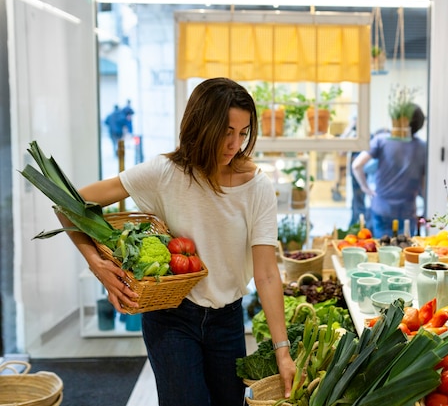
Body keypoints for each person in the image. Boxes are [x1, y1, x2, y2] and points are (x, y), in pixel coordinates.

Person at [59, 78, 296, 406]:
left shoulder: (256, 187)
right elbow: (68, 203)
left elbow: (267, 273)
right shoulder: (164, 173)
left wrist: (282, 351)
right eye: (226, 131)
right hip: (171, 317)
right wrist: (96, 263)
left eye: (243, 133)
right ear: (202, 124)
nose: (235, 144)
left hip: (227, 321)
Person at [351, 103, 427, 238]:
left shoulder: (381, 140)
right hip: (407, 211)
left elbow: (357, 165)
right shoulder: (422, 147)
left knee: (382, 252)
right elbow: (423, 184)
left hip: (382, 209)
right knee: (405, 254)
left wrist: (365, 188)